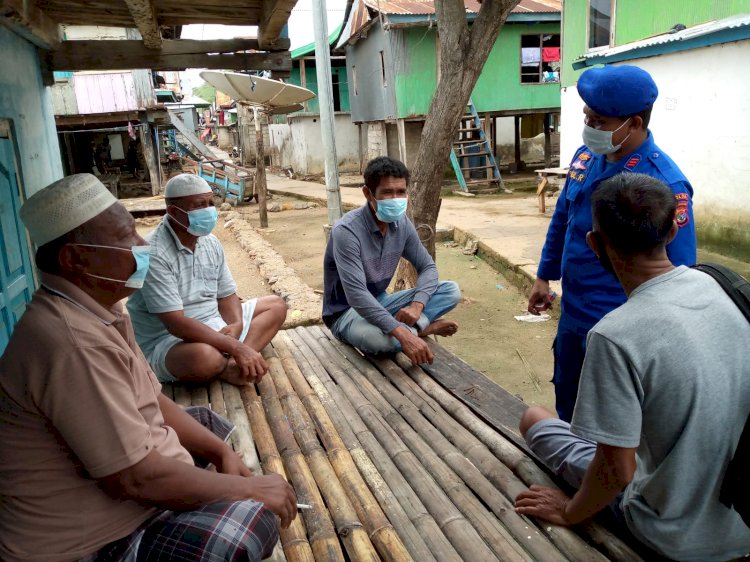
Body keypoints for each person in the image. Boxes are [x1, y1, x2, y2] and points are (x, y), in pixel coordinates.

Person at [0, 174, 296, 562]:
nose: (143, 247)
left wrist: (219, 456)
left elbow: (152, 399)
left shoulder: (100, 310)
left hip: (131, 489)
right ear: (74, 259)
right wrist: (249, 490)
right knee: (250, 522)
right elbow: (136, 478)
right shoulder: (71, 342)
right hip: (97, 541)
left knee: (207, 427)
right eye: (126, 239)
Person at [515, 173, 750, 562]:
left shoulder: (614, 335)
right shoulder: (727, 285)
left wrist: (570, 511)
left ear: (593, 244)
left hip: (672, 536)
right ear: (672, 232)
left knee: (534, 418)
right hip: (740, 522)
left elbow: (619, 470)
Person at [528, 65, 697, 422]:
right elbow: (563, 219)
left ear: (634, 124)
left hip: (621, 326)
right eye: (587, 116)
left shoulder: (665, 184)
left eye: (599, 121)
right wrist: (544, 276)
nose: (589, 127)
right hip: (573, 313)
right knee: (569, 400)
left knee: (612, 419)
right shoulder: (585, 158)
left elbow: (680, 274)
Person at [127, 174, 287, 386]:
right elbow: (176, 324)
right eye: (199, 205)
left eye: (211, 203)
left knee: (276, 306)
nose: (209, 210)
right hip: (170, 341)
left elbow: (226, 295)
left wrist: (236, 324)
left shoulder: (210, 242)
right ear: (174, 212)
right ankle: (232, 357)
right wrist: (235, 346)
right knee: (204, 357)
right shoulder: (150, 253)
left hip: (216, 324)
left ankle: (231, 364)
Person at [323, 156, 461, 366]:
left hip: (381, 301)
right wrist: (405, 336)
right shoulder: (347, 231)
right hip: (345, 313)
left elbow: (428, 267)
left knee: (450, 290)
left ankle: (412, 328)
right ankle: (424, 329)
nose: (395, 198)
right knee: (380, 342)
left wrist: (416, 306)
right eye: (387, 192)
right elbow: (357, 296)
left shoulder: (401, 223)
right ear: (368, 193)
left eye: (401, 192)